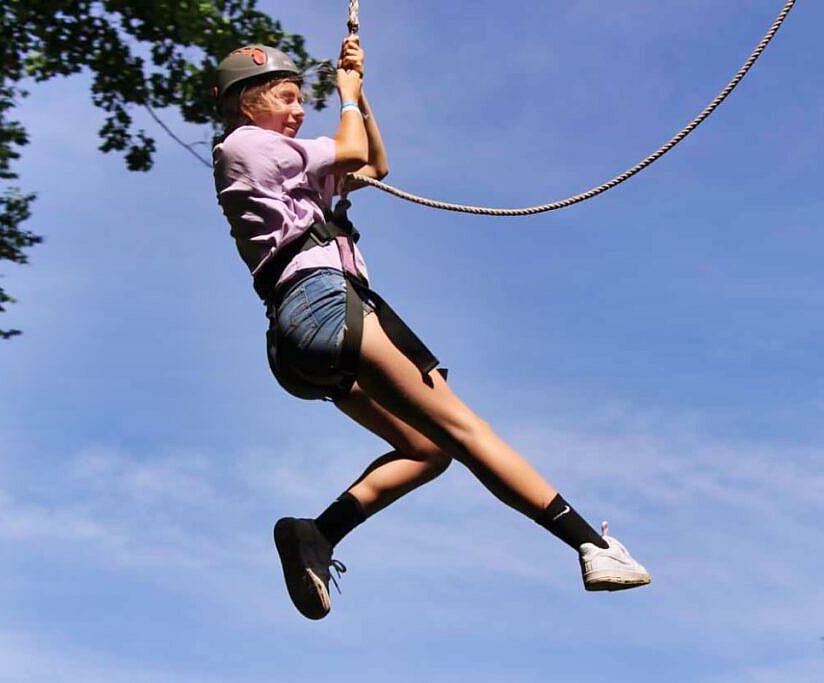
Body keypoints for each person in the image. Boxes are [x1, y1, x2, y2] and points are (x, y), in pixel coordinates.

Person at [212, 36, 650, 621]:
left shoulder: (290, 169)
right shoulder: (246, 147)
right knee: (465, 428)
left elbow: (374, 164)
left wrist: (359, 96)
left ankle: (316, 534)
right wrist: (345, 99)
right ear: (248, 103)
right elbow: (348, 147)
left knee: (427, 449)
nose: (298, 110)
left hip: (300, 338)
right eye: (289, 98)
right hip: (323, 306)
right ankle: (591, 546)